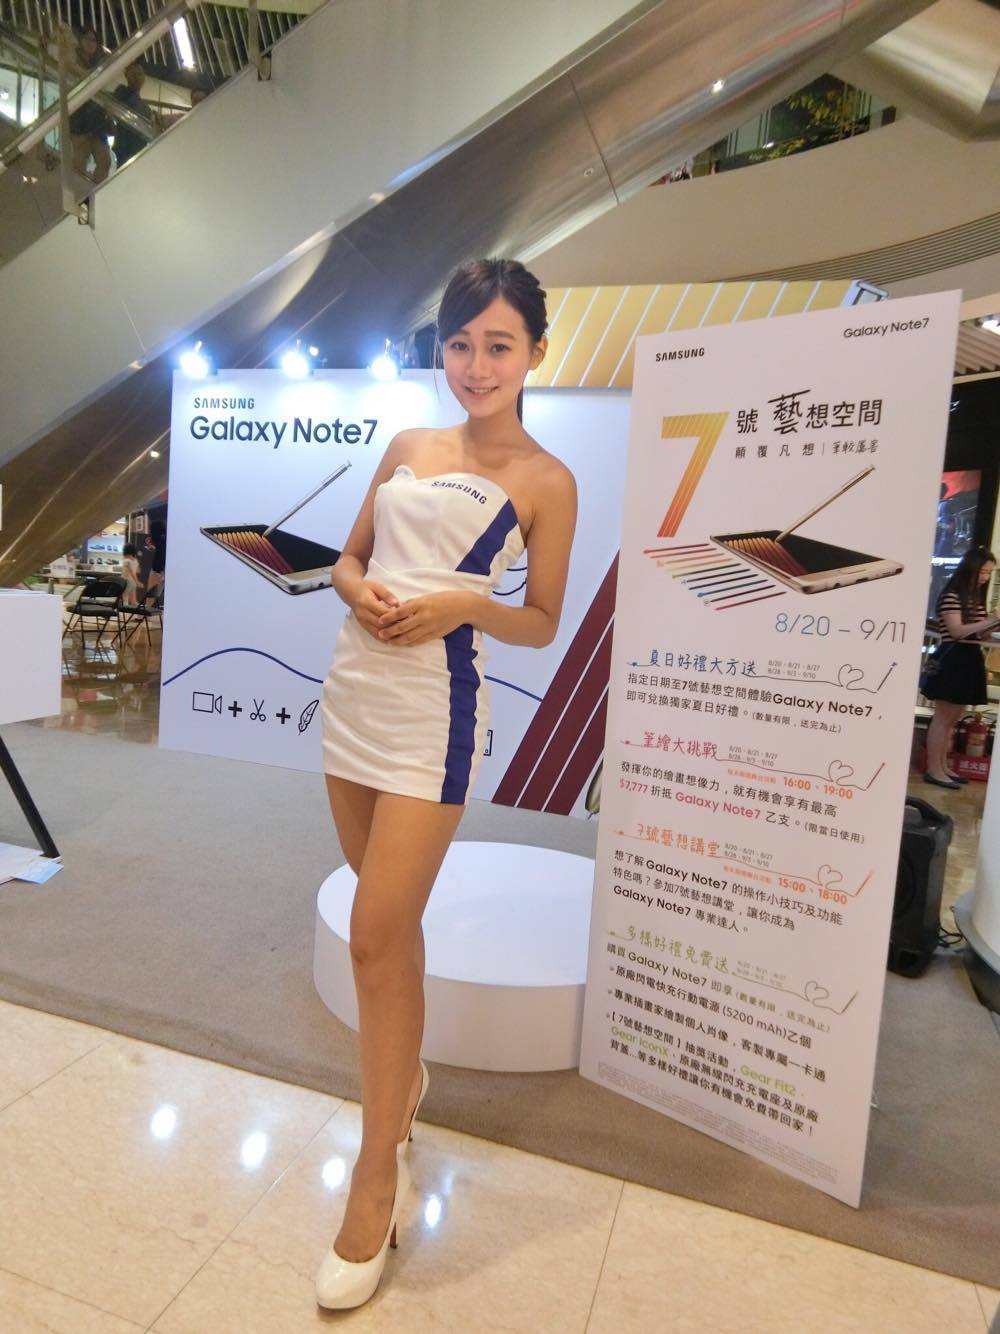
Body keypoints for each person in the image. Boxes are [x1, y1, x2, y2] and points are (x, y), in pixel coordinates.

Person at [315, 258, 577, 1309]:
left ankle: (375, 1172)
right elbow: (344, 561)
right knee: (391, 934)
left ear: (535, 353)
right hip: (354, 693)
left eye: (498, 345)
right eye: (460, 343)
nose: (475, 365)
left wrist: (464, 606)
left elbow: (542, 619)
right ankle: (406, 1083)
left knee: (373, 933)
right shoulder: (406, 445)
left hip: (436, 713)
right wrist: (361, 591)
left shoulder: (547, 479)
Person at [922, 545, 998, 789]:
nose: (985, 577)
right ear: (970, 569)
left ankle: (943, 766)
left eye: (989, 573)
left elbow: (977, 633)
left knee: (952, 719)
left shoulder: (974, 598)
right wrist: (991, 620)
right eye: (983, 572)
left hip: (969, 658)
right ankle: (934, 769)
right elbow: (956, 631)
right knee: (943, 718)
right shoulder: (952, 595)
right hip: (953, 659)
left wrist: (991, 626)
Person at [66, 26, 112, 184]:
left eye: (94, 40)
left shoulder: (100, 61)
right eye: (88, 39)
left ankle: (94, 192)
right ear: (80, 40)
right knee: (79, 162)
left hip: (97, 121)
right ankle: (80, 193)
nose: (91, 43)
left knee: (105, 160)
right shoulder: (73, 58)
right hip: (79, 120)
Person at [111, 62, 153, 167]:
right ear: (127, 76)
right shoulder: (122, 92)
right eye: (134, 74)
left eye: (139, 74)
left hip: (137, 149)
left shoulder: (143, 106)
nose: (137, 78)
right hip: (126, 148)